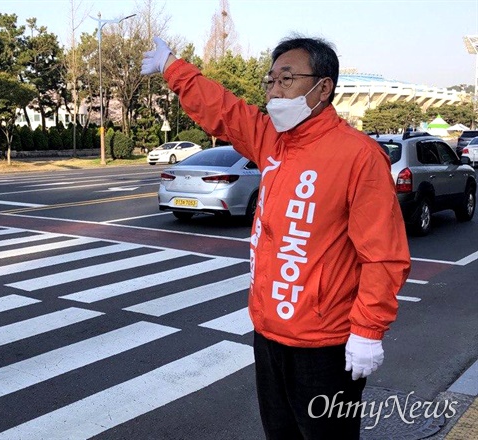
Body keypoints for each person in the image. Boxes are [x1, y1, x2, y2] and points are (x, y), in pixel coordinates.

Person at [142, 35, 411, 439]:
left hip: (325, 346)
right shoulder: (271, 139)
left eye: (286, 79)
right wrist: (173, 68)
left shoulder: (358, 156)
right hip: (269, 334)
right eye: (271, 80)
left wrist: (368, 332)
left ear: (324, 87)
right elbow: (223, 110)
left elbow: (383, 255)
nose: (274, 90)